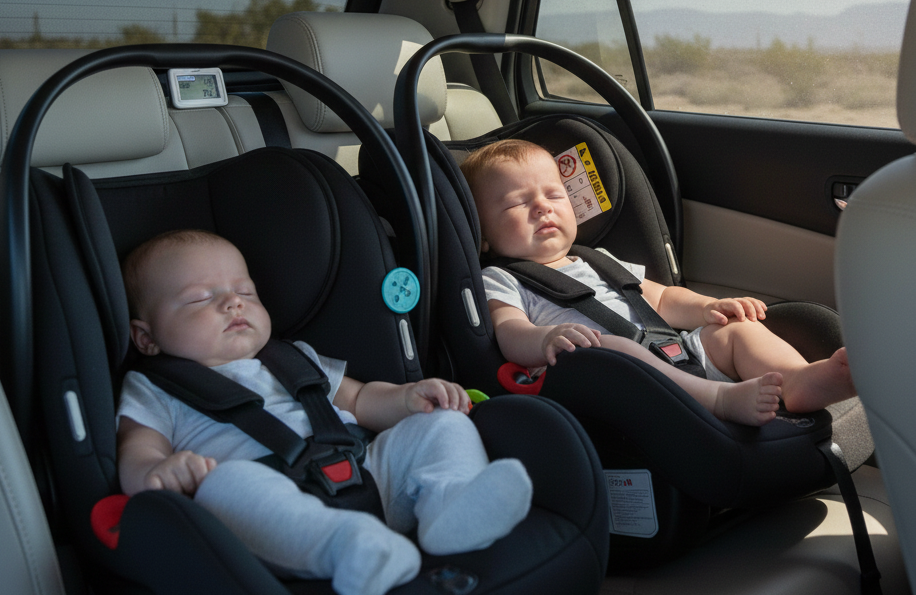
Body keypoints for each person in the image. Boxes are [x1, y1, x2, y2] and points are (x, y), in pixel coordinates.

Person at [117, 229, 533, 595]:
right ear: (146, 337)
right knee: (224, 485)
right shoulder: (153, 387)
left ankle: (450, 503)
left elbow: (361, 400)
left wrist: (407, 399)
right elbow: (137, 449)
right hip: (273, 515)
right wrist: (158, 471)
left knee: (442, 423)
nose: (233, 304)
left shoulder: (295, 359)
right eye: (200, 299)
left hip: (367, 473)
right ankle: (349, 547)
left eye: (245, 292)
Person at [459, 140, 857, 426]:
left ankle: (800, 380)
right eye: (517, 203)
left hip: (675, 353)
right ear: (484, 235)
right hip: (604, 382)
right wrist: (545, 340)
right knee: (609, 347)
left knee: (736, 331)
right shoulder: (500, 278)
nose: (542, 207)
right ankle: (718, 399)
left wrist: (706, 308)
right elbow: (510, 331)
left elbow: (663, 298)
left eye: (553, 194)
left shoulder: (599, 260)